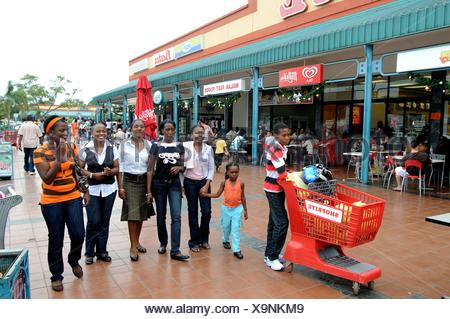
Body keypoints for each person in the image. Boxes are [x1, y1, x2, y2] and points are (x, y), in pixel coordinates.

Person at [33, 115, 89, 292]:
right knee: (56, 238)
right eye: (61, 130)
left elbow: (77, 172)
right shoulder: (39, 152)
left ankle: (73, 259)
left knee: (79, 234)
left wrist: (85, 191)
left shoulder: (71, 147)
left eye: (66, 130)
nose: (66, 133)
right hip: (52, 202)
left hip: (72, 197)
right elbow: (47, 179)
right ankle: (56, 275)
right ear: (50, 132)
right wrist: (59, 158)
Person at [147, 119, 189, 261]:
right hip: (159, 184)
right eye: (167, 129)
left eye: (172, 129)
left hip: (175, 184)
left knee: (176, 216)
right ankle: (163, 242)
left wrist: (179, 168)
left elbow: (184, 166)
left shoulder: (180, 146)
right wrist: (148, 190)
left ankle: (175, 249)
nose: (170, 132)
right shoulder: (156, 146)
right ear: (162, 131)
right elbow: (150, 169)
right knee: (161, 215)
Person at [78, 123, 119, 265]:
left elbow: (117, 168)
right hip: (92, 189)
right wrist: (92, 175)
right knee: (93, 220)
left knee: (104, 221)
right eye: (98, 131)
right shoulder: (85, 149)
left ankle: (102, 250)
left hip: (109, 189)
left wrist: (110, 172)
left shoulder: (112, 148)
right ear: (92, 132)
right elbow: (79, 169)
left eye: (103, 131)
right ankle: (89, 252)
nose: (101, 133)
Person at [118, 119, 153, 262]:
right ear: (131, 129)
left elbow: (150, 168)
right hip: (129, 182)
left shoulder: (149, 145)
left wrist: (149, 190)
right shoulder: (123, 145)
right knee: (132, 215)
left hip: (144, 181)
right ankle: (132, 246)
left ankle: (137, 241)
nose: (139, 129)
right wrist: (120, 187)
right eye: (136, 126)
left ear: (145, 129)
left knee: (141, 215)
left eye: (141, 126)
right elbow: (119, 167)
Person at [200, 163, 248, 259]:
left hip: (237, 209)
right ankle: (225, 240)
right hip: (226, 209)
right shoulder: (224, 183)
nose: (234, 174)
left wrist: (245, 210)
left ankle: (236, 249)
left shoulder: (241, 183)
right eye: (232, 172)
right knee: (226, 227)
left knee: (235, 229)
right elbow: (217, 194)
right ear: (227, 172)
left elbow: (243, 197)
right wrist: (206, 195)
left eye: (236, 172)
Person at [183, 126, 215, 252]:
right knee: (193, 212)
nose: (200, 135)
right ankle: (194, 241)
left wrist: (207, 185)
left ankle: (204, 239)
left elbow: (211, 168)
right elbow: (181, 168)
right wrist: (181, 186)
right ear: (192, 135)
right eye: (197, 133)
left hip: (204, 182)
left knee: (207, 212)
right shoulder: (185, 147)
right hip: (189, 183)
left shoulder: (208, 149)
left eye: (202, 133)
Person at [263, 122, 290, 271]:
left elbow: (283, 168)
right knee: (282, 223)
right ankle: (273, 257)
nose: (287, 137)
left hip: (277, 189)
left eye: (288, 134)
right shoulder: (274, 149)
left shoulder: (281, 148)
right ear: (276, 136)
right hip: (273, 190)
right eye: (284, 135)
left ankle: (269, 255)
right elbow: (282, 172)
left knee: (274, 223)